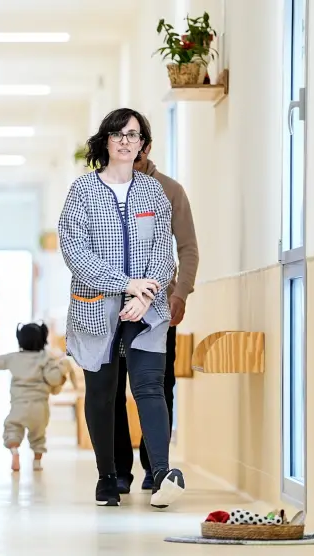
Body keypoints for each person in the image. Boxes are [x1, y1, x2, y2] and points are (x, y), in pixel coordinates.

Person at [57, 107, 185, 509]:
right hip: (96, 307)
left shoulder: (153, 192)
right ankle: (107, 477)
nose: (126, 141)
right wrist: (126, 285)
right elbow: (75, 251)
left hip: (147, 310)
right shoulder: (83, 190)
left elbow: (164, 249)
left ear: (142, 144)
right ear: (106, 141)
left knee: (150, 386)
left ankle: (161, 473)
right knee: (102, 392)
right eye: (118, 134)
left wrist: (144, 295)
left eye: (133, 135)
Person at [113, 116, 199, 494]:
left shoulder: (169, 190)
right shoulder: (103, 188)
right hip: (111, 306)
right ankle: (119, 470)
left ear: (146, 147)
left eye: (135, 141)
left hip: (157, 308)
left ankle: (155, 467)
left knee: (158, 386)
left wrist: (180, 293)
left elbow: (188, 248)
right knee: (113, 388)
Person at [0, 323, 69, 472]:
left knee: (12, 429)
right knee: (38, 436)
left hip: (19, 406)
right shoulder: (46, 358)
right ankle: (37, 462)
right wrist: (62, 369)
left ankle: (15, 451)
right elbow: (54, 379)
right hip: (40, 408)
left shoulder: (13, 358)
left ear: (20, 340)